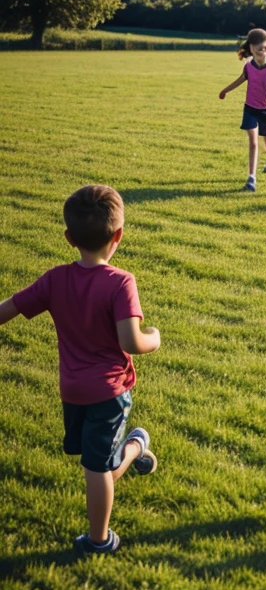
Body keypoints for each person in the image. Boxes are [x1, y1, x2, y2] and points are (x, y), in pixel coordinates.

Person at [0, 185, 161, 556]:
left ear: (69, 238)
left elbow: (7, 309)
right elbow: (132, 341)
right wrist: (154, 336)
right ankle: (135, 449)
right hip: (107, 391)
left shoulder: (55, 278)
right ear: (118, 235)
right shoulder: (121, 282)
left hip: (77, 391)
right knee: (97, 467)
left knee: (95, 468)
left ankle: (98, 539)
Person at [219, 28, 266, 192]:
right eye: (257, 45)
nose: (261, 48)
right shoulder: (249, 67)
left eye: (264, 45)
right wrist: (225, 90)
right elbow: (240, 80)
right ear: (251, 48)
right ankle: (251, 178)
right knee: (253, 142)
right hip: (250, 108)